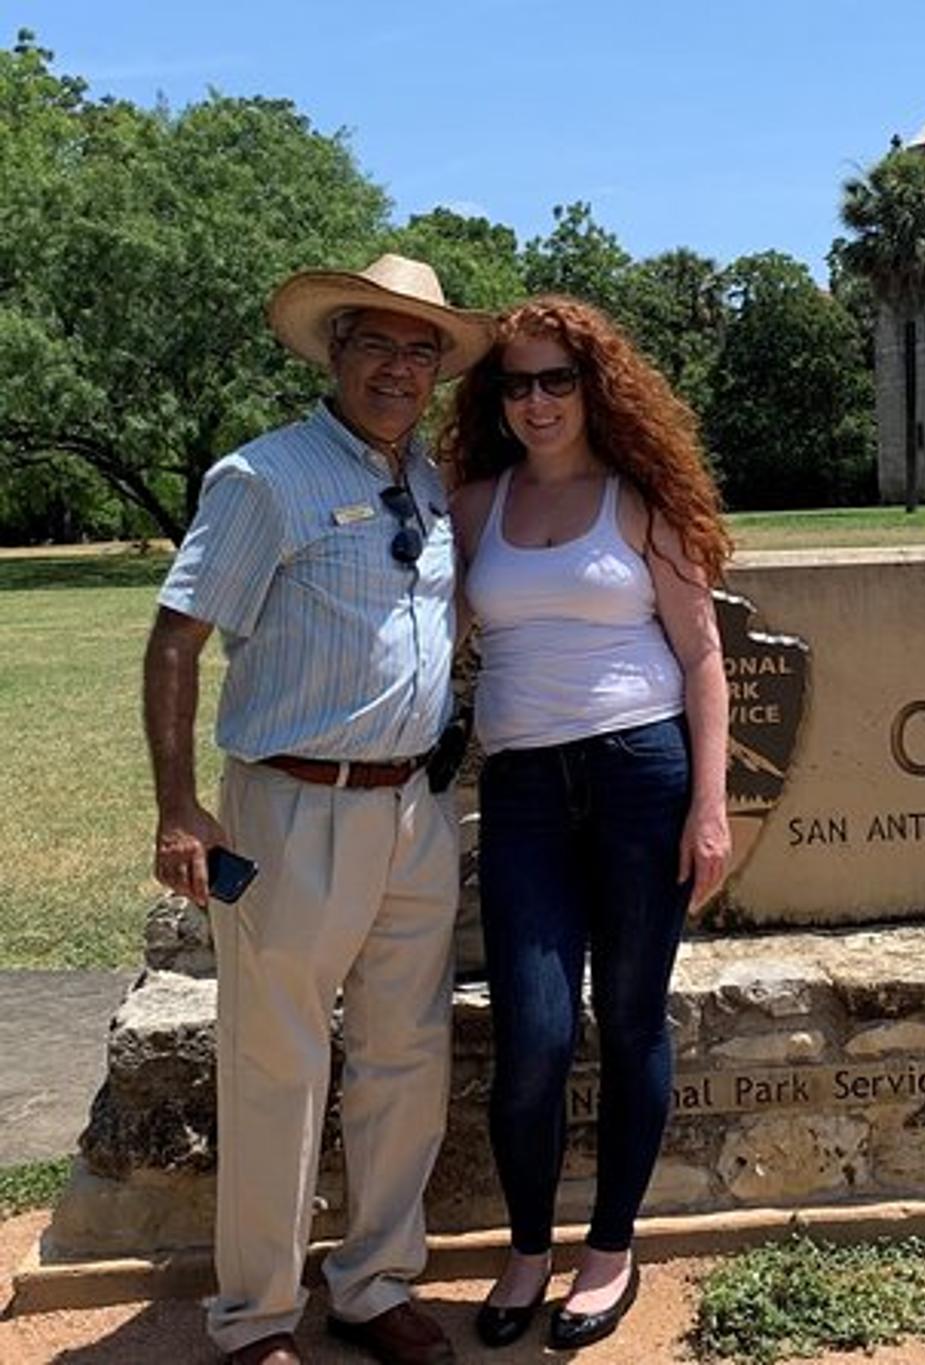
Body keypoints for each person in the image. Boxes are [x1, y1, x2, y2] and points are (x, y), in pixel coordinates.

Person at [145, 254, 492, 1365]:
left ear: (438, 369)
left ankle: (373, 1281)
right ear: (334, 349)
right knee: (276, 1065)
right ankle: (254, 1315)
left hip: (413, 813)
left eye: (420, 349)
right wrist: (178, 808)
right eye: (378, 344)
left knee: (404, 1056)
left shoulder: (430, 482)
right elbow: (177, 638)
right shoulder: (263, 478)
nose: (399, 367)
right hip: (292, 808)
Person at [442, 296, 732, 1350]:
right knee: (534, 1031)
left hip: (638, 777)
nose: (535, 400)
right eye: (514, 382)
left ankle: (609, 1248)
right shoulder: (472, 506)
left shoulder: (641, 502)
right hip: (521, 793)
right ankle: (528, 1248)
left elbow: (701, 656)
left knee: (632, 1017)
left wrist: (708, 805)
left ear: (593, 386)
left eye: (555, 378)